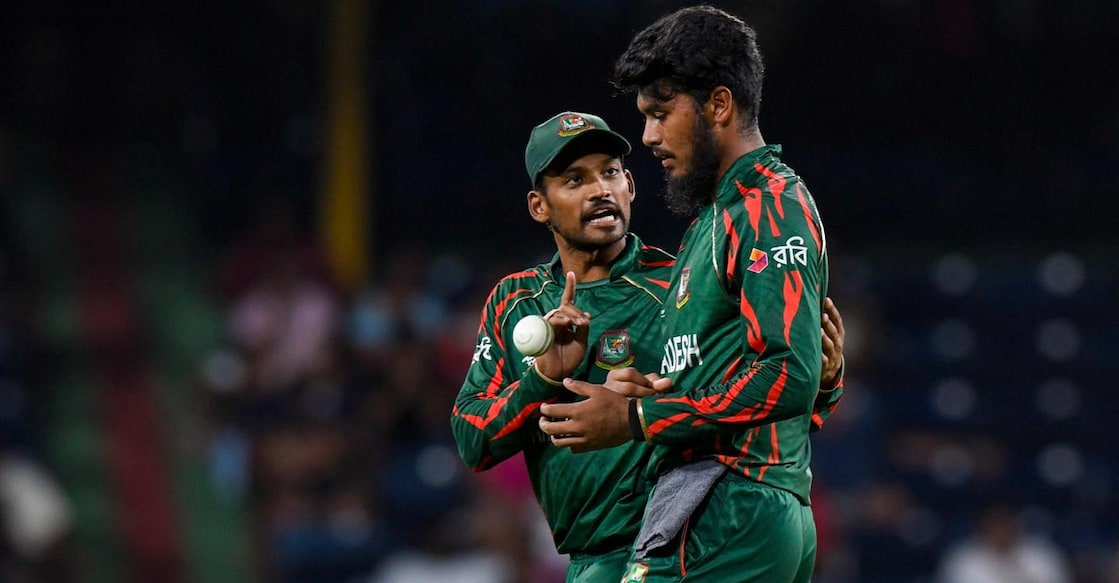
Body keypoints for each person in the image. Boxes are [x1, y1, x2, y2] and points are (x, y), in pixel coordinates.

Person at [451, 110, 846, 582]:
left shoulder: (681, 285)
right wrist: (542, 380)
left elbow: (762, 414)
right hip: (586, 557)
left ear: (631, 187)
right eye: (575, 180)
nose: (600, 190)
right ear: (540, 205)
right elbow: (473, 440)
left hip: (678, 540)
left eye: (611, 173)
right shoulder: (514, 302)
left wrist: (823, 385)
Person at [538, 6, 834, 582]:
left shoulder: (768, 207)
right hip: (727, 502)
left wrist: (637, 415)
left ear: (718, 106)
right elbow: (779, 380)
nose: (648, 136)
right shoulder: (713, 221)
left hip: (729, 505)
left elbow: (787, 377)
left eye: (660, 113)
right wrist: (646, 387)